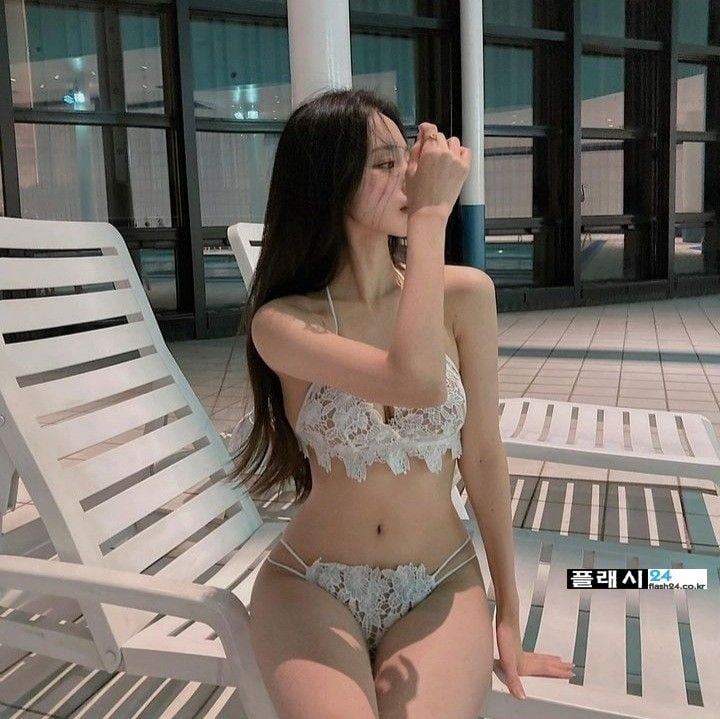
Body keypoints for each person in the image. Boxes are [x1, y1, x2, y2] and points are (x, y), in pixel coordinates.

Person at [228, 88, 573, 719]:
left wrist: (508, 610)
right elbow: (414, 381)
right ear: (328, 183)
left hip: (439, 580)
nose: (413, 177)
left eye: (406, 159)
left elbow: (483, 455)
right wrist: (431, 218)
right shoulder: (283, 323)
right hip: (310, 581)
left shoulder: (465, 295)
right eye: (386, 164)